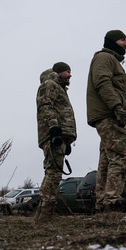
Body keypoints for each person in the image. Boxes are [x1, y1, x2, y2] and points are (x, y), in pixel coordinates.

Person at [86, 30, 126, 213]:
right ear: (112, 42)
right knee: (120, 157)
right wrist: (117, 107)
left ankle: (102, 203)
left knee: (107, 159)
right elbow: (102, 82)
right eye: (122, 40)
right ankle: (112, 201)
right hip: (111, 115)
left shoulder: (110, 59)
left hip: (108, 115)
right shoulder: (105, 58)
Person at [35, 62, 77, 222]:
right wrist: (55, 129)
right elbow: (45, 106)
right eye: (67, 71)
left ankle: (42, 216)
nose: (70, 75)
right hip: (54, 134)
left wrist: (67, 139)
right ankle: (45, 216)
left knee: (52, 171)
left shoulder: (59, 88)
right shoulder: (50, 84)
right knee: (53, 173)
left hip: (60, 136)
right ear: (59, 72)